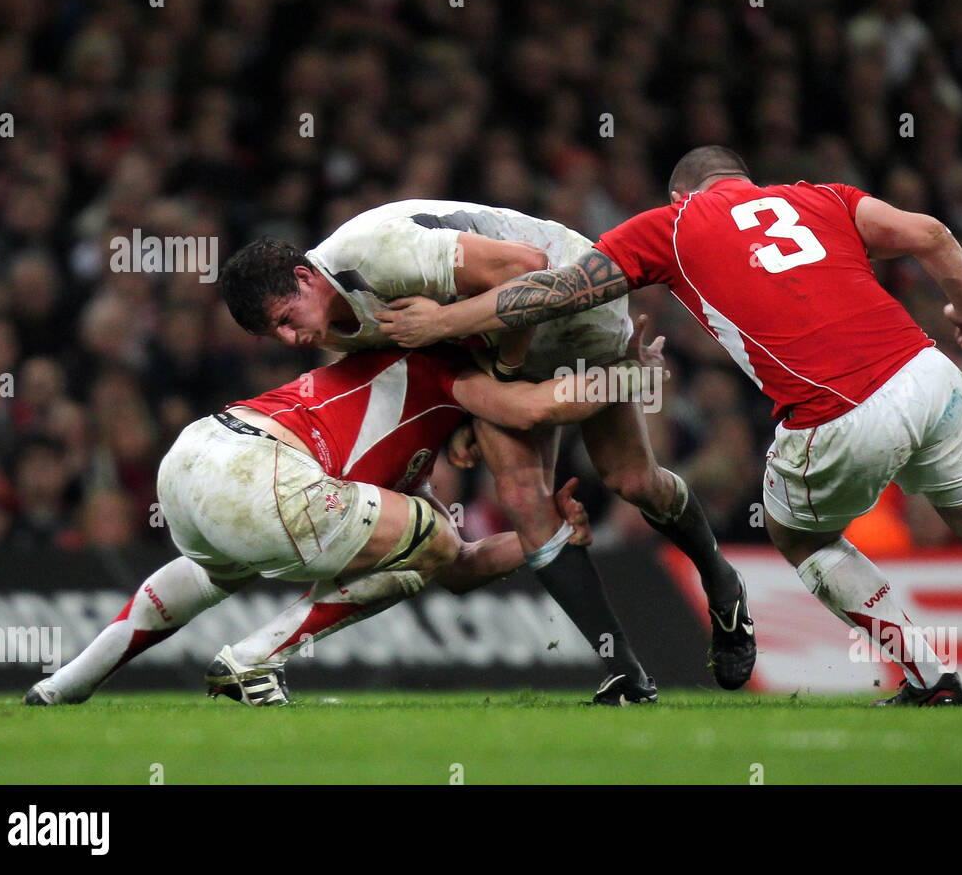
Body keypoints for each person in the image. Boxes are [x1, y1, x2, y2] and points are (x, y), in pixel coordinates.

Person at [377, 145, 962, 707]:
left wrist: (445, 325)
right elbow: (930, 234)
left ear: (684, 193)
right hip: (929, 371)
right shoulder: (820, 197)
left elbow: (555, 291)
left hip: (839, 409)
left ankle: (928, 670)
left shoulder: (668, 226)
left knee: (795, 533)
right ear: (745, 182)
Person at [217, 200, 756, 702]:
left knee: (632, 481)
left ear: (306, 277)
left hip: (571, 295)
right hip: (491, 341)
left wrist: (488, 362)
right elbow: (434, 367)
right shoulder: (335, 324)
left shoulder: (372, 252)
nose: (290, 340)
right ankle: (628, 676)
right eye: (274, 335)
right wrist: (464, 418)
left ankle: (720, 579)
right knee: (524, 498)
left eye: (287, 318)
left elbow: (527, 266)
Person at [26, 330, 659, 706]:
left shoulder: (407, 470)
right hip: (263, 465)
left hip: (198, 455)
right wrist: (627, 377)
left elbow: (459, 566)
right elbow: (529, 409)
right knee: (425, 540)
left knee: (215, 570)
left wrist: (538, 536)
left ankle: (65, 685)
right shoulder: (444, 372)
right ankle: (253, 658)